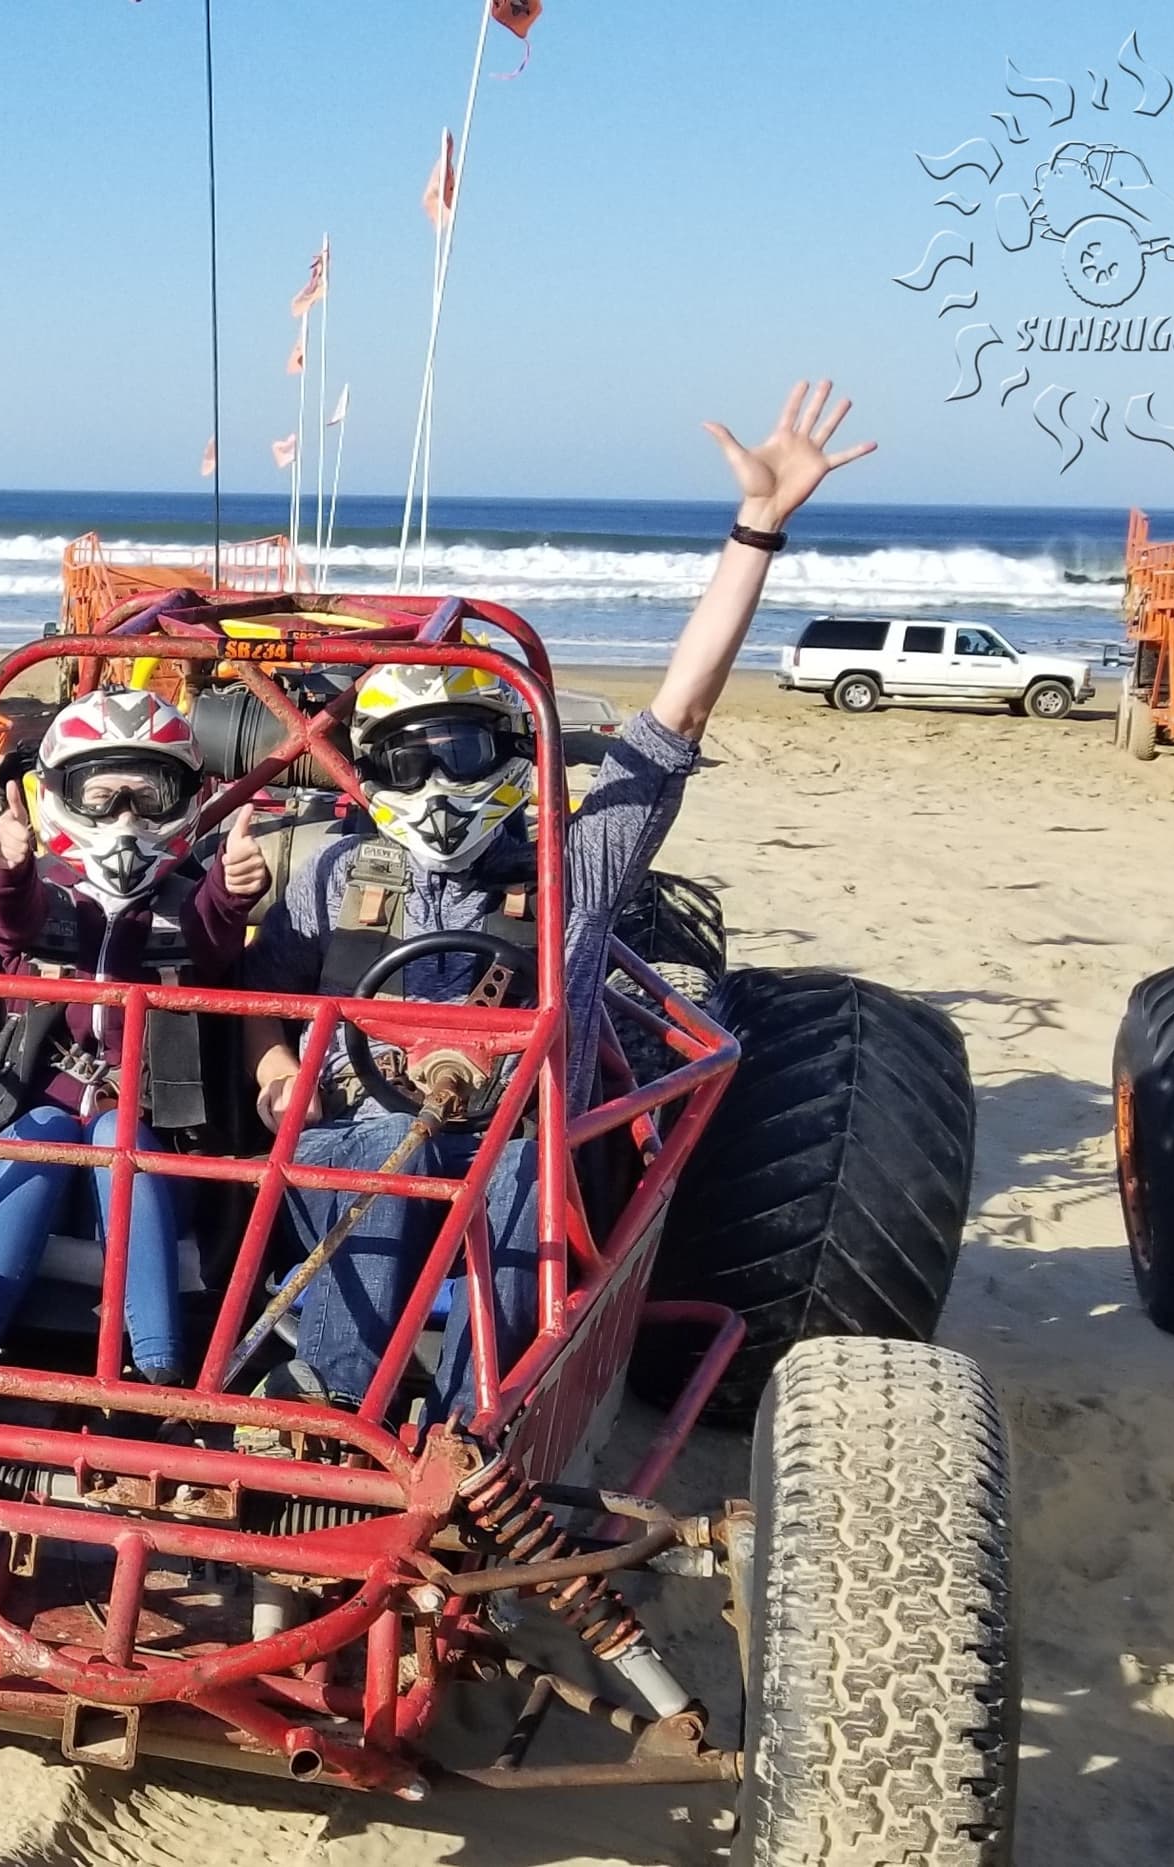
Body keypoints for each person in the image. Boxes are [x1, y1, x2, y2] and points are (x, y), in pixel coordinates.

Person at [241, 380, 876, 1405]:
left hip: (521, 1156)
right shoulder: (337, 871)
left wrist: (756, 529)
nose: (433, 785)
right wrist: (276, 1068)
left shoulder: (572, 870)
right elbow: (260, 993)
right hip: (362, 1144)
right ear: (371, 772)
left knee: (518, 1167)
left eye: (457, 752)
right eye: (405, 760)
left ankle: (475, 1420)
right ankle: (335, 1405)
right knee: (369, 1150)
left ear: (506, 753)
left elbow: (676, 718)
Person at [0, 687, 270, 1378]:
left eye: (148, 797)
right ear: (60, 795)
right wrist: (7, 866)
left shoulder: (185, 908)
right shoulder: (46, 899)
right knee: (52, 1130)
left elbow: (213, 933)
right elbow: (8, 923)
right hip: (11, 1136)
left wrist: (233, 886)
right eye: (100, 796)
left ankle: (160, 1368)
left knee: (116, 1136)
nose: (125, 819)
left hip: (150, 1151)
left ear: (185, 798)